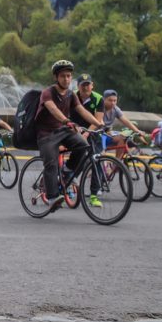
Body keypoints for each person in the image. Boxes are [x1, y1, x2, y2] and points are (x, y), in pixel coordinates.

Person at [36, 60, 104, 211]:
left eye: (69, 76)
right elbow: (53, 110)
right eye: (63, 76)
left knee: (82, 145)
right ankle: (53, 197)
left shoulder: (71, 95)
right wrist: (66, 121)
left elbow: (82, 111)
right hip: (46, 133)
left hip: (62, 130)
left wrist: (98, 124)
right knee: (51, 163)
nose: (66, 79)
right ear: (56, 77)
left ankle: (67, 171)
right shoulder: (47, 93)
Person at [100, 89, 144, 159]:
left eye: (115, 101)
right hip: (98, 135)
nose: (113, 103)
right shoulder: (100, 107)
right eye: (110, 100)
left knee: (123, 137)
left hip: (108, 134)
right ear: (104, 99)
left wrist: (137, 131)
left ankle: (117, 162)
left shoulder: (115, 109)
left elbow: (125, 121)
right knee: (101, 155)